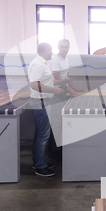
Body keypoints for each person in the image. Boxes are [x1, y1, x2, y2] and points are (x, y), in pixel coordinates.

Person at [29, 42, 65, 177]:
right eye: (51, 50)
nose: (52, 52)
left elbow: (46, 81)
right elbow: (34, 84)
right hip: (39, 102)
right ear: (45, 50)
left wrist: (64, 81)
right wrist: (54, 90)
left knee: (40, 134)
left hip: (43, 102)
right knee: (43, 135)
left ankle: (38, 161)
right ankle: (40, 166)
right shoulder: (38, 64)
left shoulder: (44, 64)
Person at [48, 39, 85, 150]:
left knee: (61, 121)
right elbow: (58, 79)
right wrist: (71, 92)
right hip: (56, 94)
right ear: (58, 47)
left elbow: (67, 79)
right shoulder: (55, 59)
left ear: (69, 48)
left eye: (66, 47)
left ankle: (60, 147)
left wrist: (77, 89)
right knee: (56, 123)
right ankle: (53, 151)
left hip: (63, 93)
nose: (64, 49)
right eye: (62, 46)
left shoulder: (66, 59)